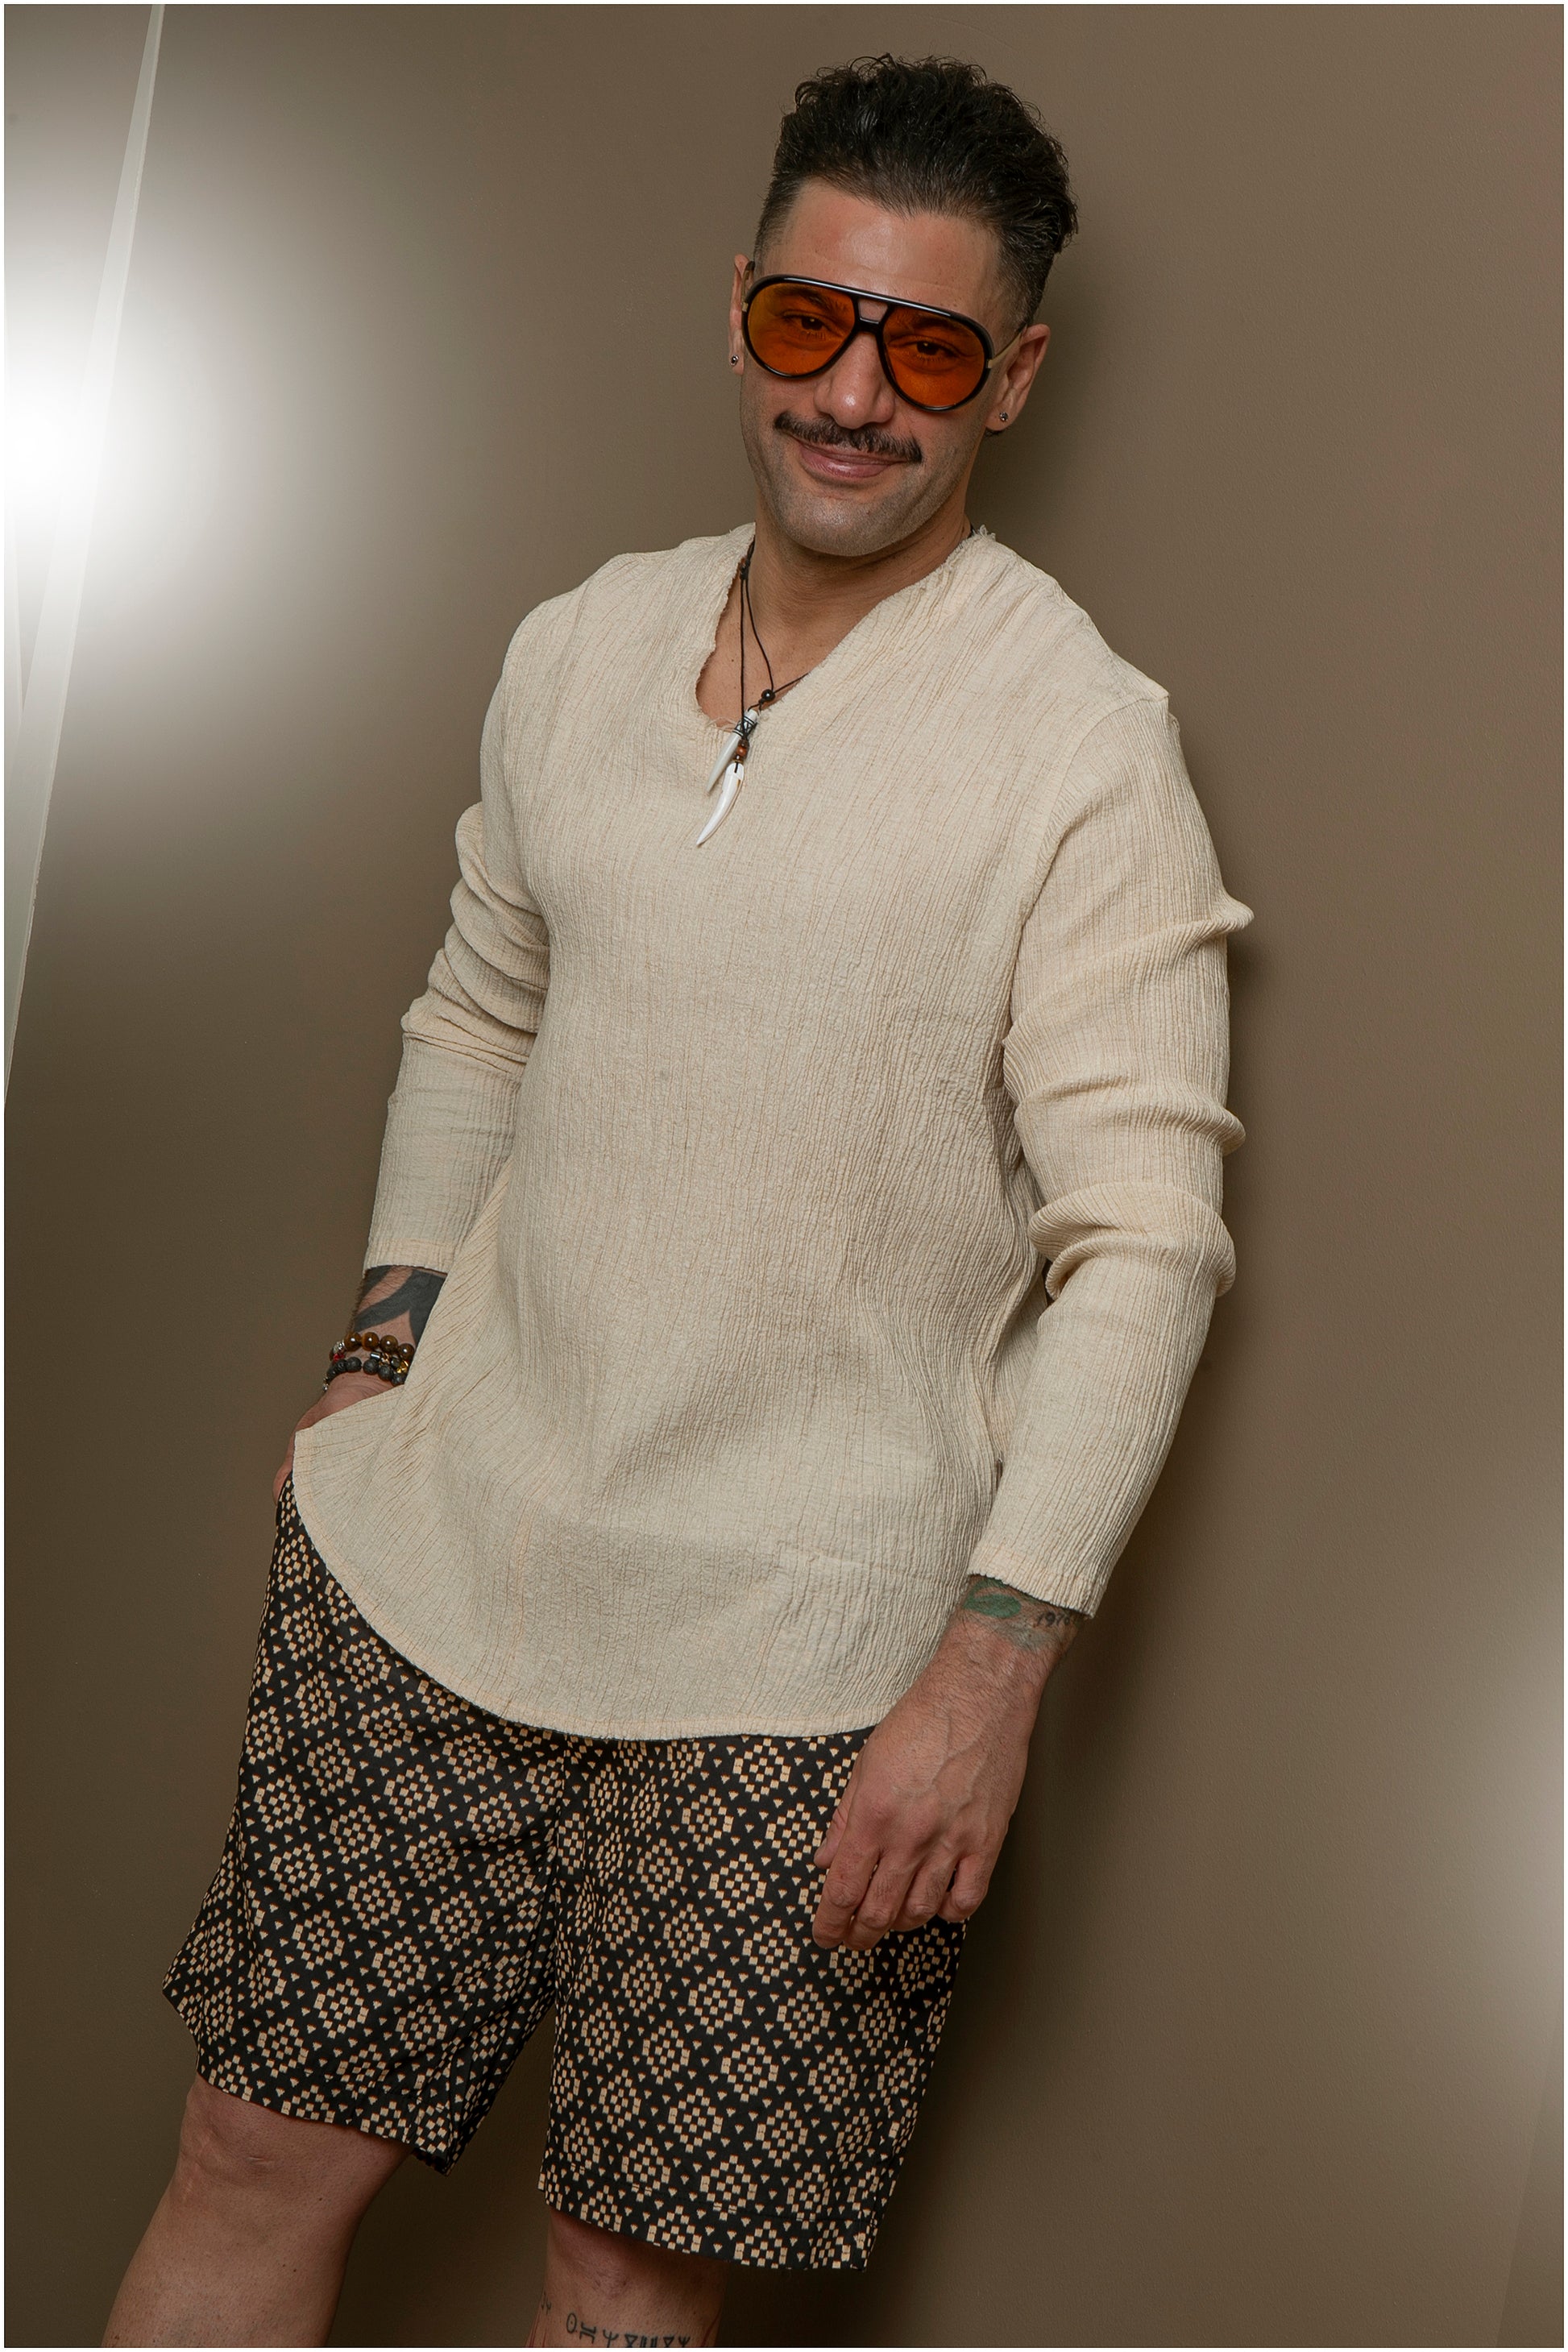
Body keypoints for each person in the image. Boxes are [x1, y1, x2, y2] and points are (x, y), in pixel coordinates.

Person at [106, 52, 1253, 2350]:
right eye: (810, 321)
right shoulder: (576, 645)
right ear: (739, 307)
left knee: (624, 2298)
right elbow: (479, 1013)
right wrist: (378, 1359)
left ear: (1015, 376)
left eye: (927, 350)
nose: (853, 394)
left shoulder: (1081, 744)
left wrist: (990, 1672)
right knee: (246, 2162)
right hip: (442, 1561)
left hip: (808, 1665)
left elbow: (1144, 1242)